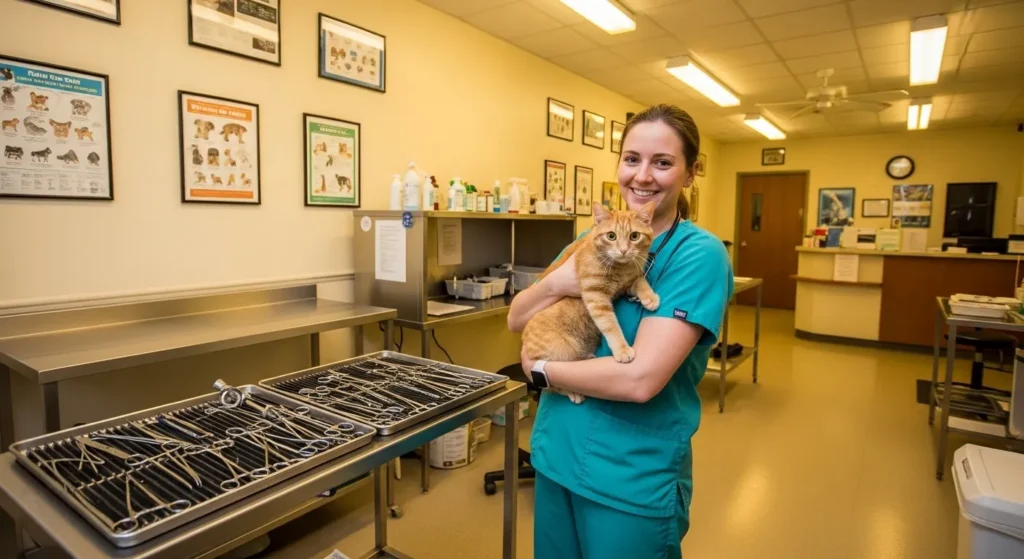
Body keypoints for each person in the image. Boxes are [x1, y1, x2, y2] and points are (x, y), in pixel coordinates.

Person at [507, 104, 734, 559]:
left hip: (629, 476)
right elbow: (516, 317)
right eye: (632, 159)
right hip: (555, 453)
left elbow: (640, 379)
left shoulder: (699, 255)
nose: (643, 176)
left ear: (691, 173)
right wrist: (557, 283)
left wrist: (542, 371)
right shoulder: (593, 237)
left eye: (663, 162)